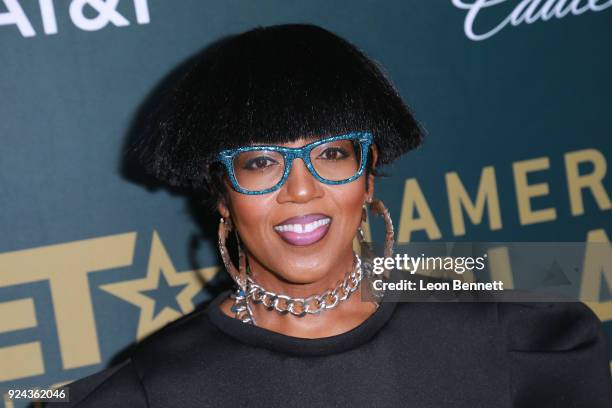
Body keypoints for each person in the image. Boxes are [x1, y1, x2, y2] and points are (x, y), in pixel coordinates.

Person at [47, 23, 612, 407]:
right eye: (263, 162)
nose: (302, 188)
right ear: (221, 194)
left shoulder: (508, 322)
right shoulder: (163, 384)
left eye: (331, 153)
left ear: (368, 178)